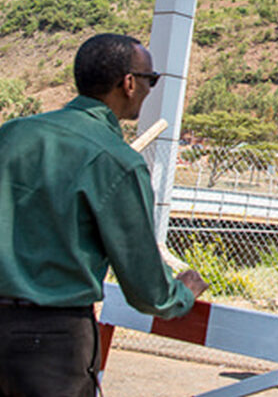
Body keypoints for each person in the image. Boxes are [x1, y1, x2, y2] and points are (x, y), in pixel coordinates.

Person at [0, 34, 208, 397]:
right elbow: (147, 291)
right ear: (129, 83)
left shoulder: (11, 135)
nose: (150, 90)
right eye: (151, 79)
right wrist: (182, 293)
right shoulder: (117, 162)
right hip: (52, 343)